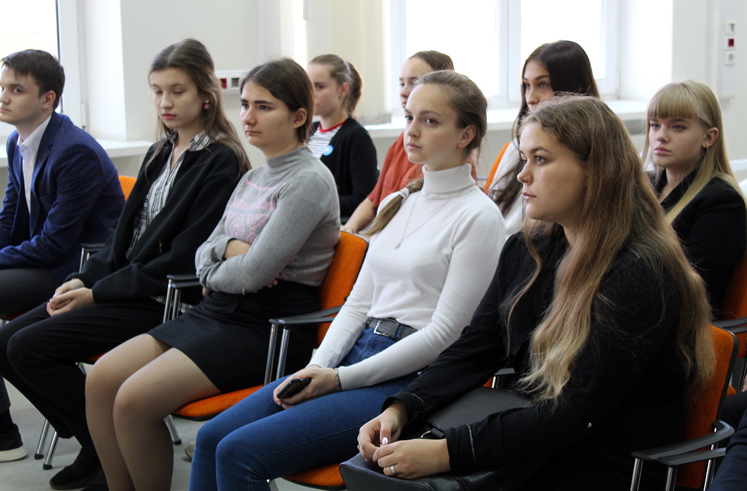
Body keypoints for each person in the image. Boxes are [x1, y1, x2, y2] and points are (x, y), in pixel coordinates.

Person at [358, 95, 715, 491]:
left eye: (541, 160)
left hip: (608, 460)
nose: (523, 176)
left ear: (595, 171)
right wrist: (403, 407)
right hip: (540, 436)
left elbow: (577, 411)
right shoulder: (528, 249)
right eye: (525, 158)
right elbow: (477, 347)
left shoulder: (641, 271)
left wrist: (449, 452)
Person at [188, 70, 506, 491]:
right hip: (352, 355)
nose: (411, 131)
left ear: (466, 134)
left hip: (409, 378)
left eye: (430, 121)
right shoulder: (400, 200)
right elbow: (357, 304)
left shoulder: (479, 217)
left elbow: (445, 335)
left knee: (237, 452)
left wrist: (338, 380)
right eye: (409, 117)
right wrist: (319, 366)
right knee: (211, 437)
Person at [0, 39, 247, 489]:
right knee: (0, 346)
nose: (164, 102)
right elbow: (120, 237)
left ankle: (103, 454)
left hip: (163, 301)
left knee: (28, 348)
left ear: (206, 95)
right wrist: (82, 280)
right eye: (157, 91)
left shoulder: (220, 160)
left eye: (177, 91)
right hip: (123, 288)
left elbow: (183, 257)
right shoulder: (161, 150)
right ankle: (98, 445)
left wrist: (97, 293)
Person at [84, 58, 340, 491]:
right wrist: (227, 253)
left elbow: (255, 274)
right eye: (245, 104)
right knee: (101, 380)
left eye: (264, 107)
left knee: (133, 400)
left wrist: (222, 264)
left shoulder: (309, 181)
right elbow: (204, 254)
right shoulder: (254, 176)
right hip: (219, 311)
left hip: (266, 325)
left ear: (299, 117)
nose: (248, 117)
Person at [0, 50, 124, 466]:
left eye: (16, 89)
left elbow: (53, 245)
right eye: (2, 88)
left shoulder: (74, 151)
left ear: (47, 99)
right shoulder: (19, 142)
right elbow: (8, 225)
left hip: (74, 271)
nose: (3, 98)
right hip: (43, 260)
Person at [644, 80, 746, 319]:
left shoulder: (722, 202)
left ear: (708, 138)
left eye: (678, 127)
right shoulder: (644, 186)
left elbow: (684, 288)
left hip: (683, 326)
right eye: (655, 125)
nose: (661, 136)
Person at [487, 40, 599, 237]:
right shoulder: (515, 148)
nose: (531, 98)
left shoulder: (593, 153)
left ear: (572, 86)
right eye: (527, 86)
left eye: (543, 85)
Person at [342, 50, 454, 234]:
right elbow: (373, 199)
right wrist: (350, 228)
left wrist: (368, 238)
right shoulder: (403, 140)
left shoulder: (445, 154)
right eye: (402, 83)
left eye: (415, 83)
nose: (404, 91)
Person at [307, 54, 378, 221]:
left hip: (333, 226)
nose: (311, 94)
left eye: (319, 87)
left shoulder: (356, 136)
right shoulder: (308, 131)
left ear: (342, 90)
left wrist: (311, 204)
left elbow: (363, 200)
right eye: (308, 87)